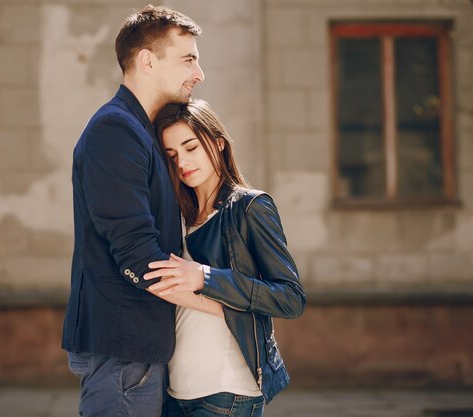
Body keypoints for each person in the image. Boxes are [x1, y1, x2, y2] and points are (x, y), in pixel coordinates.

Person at [61, 5, 205, 417]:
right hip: (122, 353)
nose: (198, 73)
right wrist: (232, 306)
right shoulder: (116, 130)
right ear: (147, 60)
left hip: (134, 350)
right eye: (188, 59)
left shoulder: (141, 130)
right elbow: (141, 259)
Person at [146, 99, 307, 417]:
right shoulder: (181, 216)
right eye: (172, 155)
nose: (183, 162)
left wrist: (206, 277)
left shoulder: (250, 207)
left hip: (226, 394)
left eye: (191, 147)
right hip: (176, 391)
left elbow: (291, 298)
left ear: (219, 143)